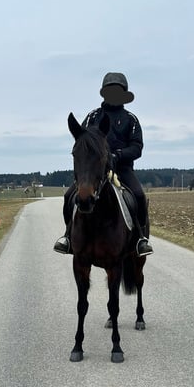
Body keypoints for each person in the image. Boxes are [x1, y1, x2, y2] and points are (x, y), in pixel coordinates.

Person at [54, 72, 154, 257]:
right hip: (94, 170)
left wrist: (118, 155)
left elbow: (137, 147)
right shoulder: (93, 117)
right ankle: (68, 236)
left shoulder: (130, 120)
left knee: (139, 195)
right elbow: (82, 140)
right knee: (69, 195)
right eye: (111, 90)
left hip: (122, 169)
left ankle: (140, 238)